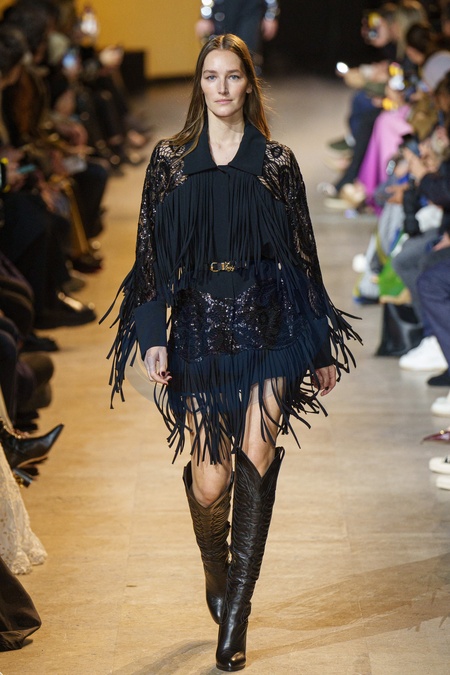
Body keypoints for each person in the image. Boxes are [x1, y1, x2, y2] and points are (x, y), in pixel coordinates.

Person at [104, 34, 360, 672]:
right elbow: (149, 260)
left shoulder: (275, 162)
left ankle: (237, 614)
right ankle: (216, 572)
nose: (222, 87)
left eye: (233, 76)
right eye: (211, 76)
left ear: (249, 83)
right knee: (211, 479)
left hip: (270, 322)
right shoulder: (170, 161)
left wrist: (319, 345)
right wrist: (153, 337)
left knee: (258, 451)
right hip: (199, 328)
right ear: (199, 84)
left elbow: (302, 258)